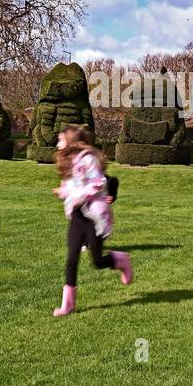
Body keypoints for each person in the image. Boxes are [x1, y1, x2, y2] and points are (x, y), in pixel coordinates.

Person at [53, 126, 132, 316]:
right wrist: (63, 192)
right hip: (78, 217)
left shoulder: (88, 160)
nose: (58, 144)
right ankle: (68, 306)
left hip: (94, 218)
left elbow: (98, 183)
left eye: (61, 140)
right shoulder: (68, 163)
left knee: (97, 261)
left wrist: (81, 194)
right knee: (71, 260)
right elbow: (71, 188)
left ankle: (120, 260)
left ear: (71, 142)